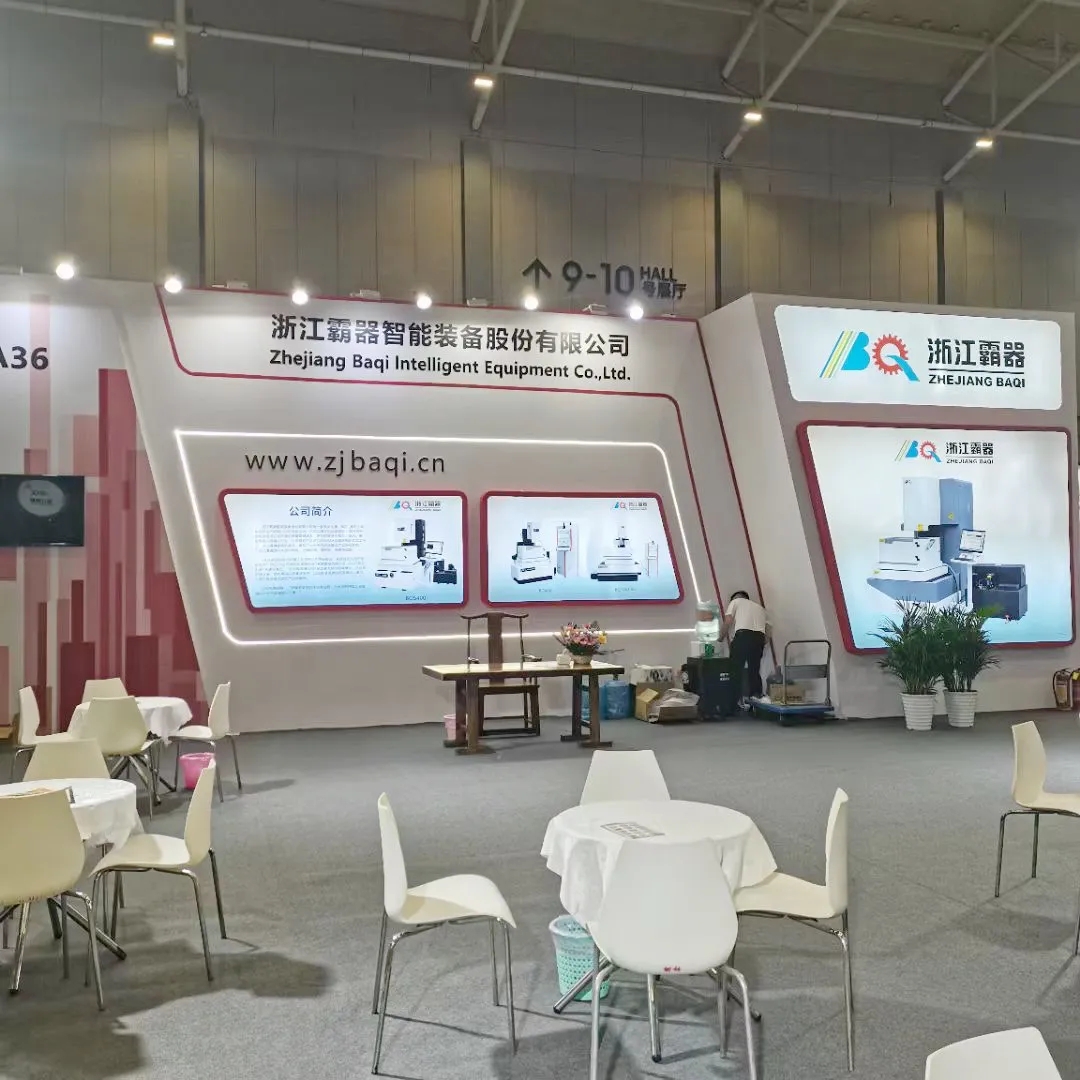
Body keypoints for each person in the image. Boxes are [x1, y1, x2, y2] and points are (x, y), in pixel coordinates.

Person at [724, 590, 770, 708]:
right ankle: (756, 698)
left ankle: (733, 703)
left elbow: (728, 621)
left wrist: (720, 637)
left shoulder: (735, 602)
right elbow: (768, 630)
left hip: (743, 636)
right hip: (759, 638)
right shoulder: (761, 608)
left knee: (735, 670)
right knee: (754, 670)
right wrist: (760, 643)